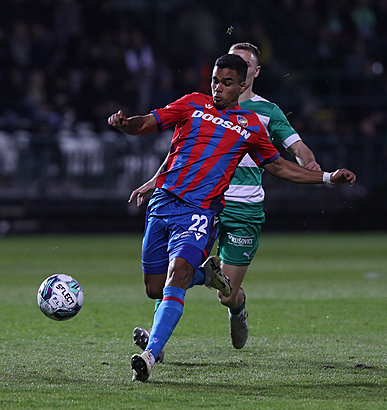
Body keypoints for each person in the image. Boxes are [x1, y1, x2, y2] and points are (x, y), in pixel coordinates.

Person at [109, 53, 356, 381]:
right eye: (215, 81)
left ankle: (151, 354)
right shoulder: (192, 104)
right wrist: (127, 125)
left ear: (242, 85)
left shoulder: (252, 125)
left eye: (226, 83)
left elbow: (279, 166)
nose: (218, 88)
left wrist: (327, 177)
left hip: (201, 211)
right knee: (155, 289)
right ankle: (206, 276)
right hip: (163, 204)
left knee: (178, 273)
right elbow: (148, 124)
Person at [130, 42, 322, 356]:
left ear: (252, 74)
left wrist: (313, 167)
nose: (231, 71)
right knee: (174, 273)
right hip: (203, 204)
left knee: (227, 293)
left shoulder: (266, 112)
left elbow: (296, 148)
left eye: (244, 63)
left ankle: (236, 308)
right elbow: (180, 152)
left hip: (243, 208)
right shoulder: (204, 106)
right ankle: (156, 342)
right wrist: (155, 181)